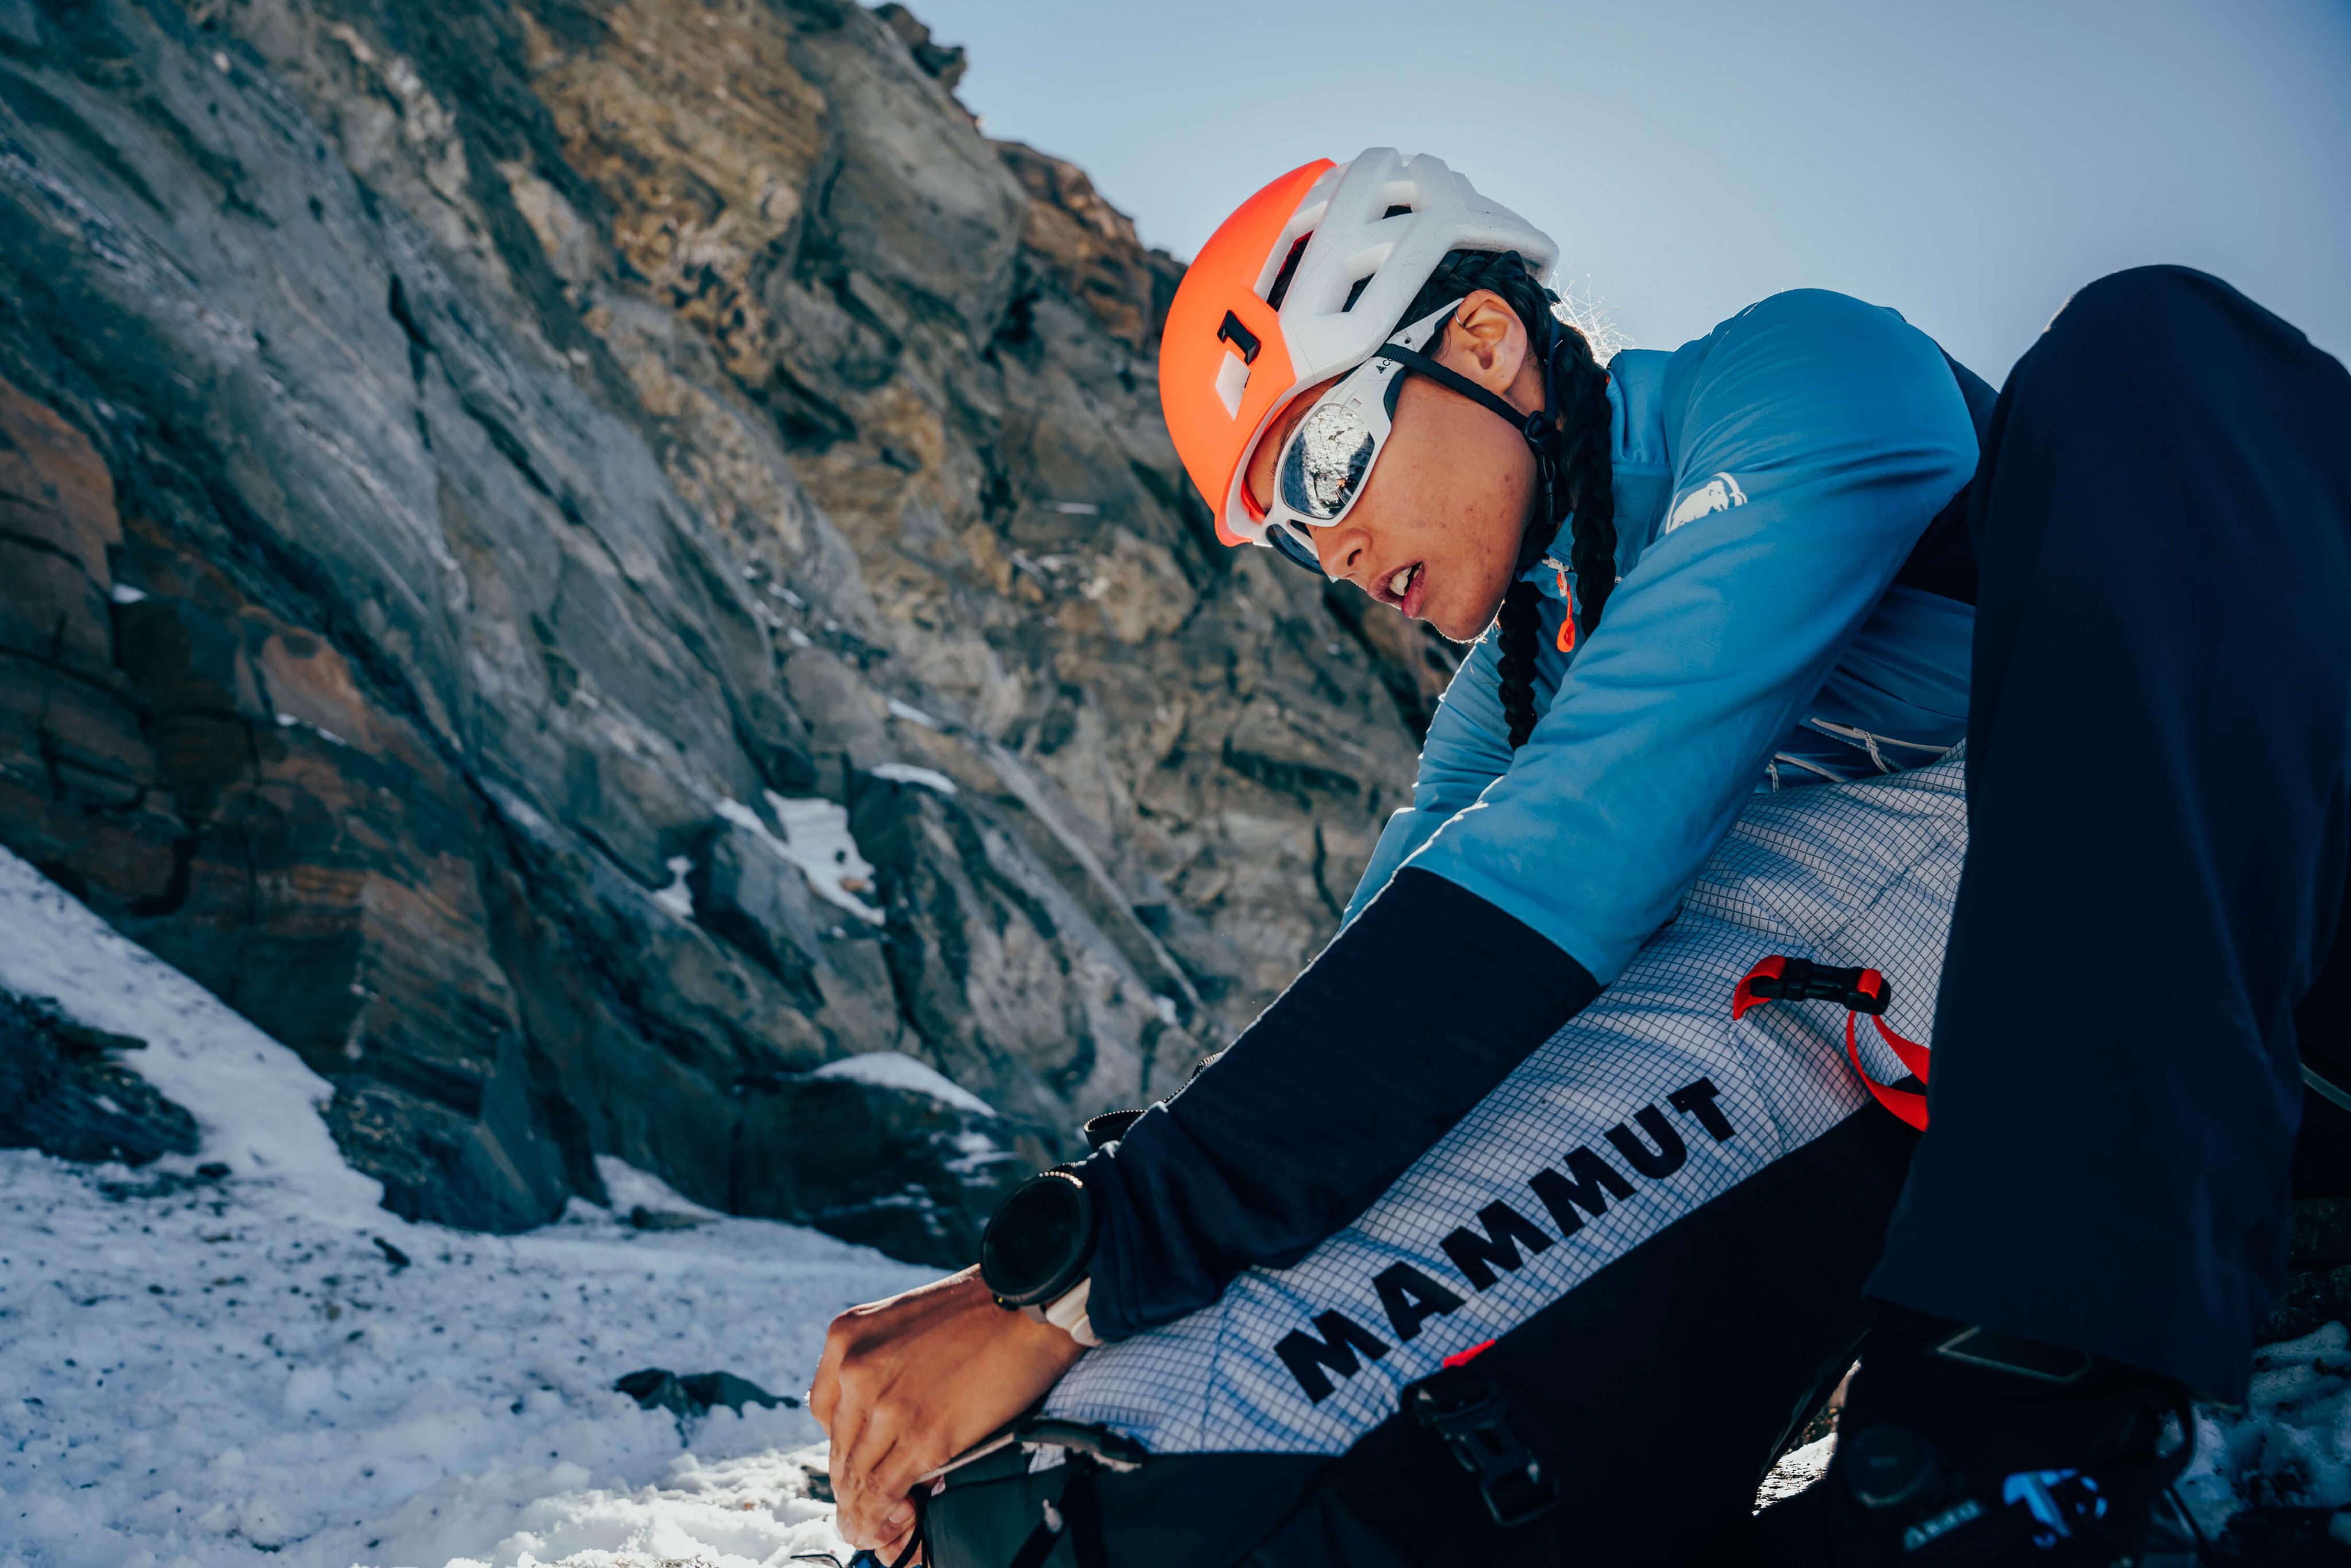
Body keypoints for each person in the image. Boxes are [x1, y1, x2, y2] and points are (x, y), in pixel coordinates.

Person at [809, 150, 2351, 1567]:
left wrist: (1078, 1270)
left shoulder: (1798, 378)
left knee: (2149, 357)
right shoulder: (1513, 687)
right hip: (2023, 1052)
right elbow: (1383, 1008)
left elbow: (1570, 865)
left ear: (1480, 342)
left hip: (2294, 923)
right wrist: (1078, 1315)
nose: (1330, 551)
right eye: (1287, 528)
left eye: (1331, 458)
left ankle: (2035, 1412)